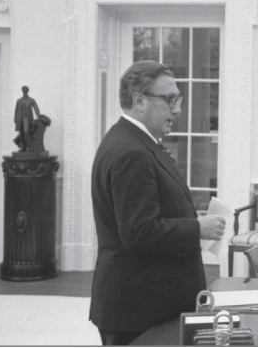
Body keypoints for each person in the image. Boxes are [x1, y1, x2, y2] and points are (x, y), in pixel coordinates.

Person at [90, 60, 226, 345]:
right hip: (140, 310)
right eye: (169, 99)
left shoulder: (134, 141)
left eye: (178, 99)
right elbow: (139, 232)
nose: (177, 109)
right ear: (139, 101)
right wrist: (196, 228)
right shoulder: (131, 152)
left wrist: (189, 218)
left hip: (147, 302)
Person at [13, 85, 40, 152]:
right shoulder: (19, 100)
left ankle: (28, 146)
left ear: (27, 91)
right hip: (20, 119)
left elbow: (36, 108)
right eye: (23, 90)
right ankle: (23, 146)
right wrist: (15, 120)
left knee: (26, 132)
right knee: (21, 133)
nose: (24, 92)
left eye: (25, 90)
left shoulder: (31, 100)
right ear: (22, 91)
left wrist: (38, 116)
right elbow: (16, 110)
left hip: (27, 119)